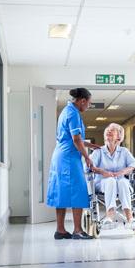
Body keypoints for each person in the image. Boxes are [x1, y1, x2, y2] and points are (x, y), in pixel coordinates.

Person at [46, 88, 98, 240]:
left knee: (61, 192)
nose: (88, 107)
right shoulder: (73, 113)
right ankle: (77, 230)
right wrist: (87, 157)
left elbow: (73, 139)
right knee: (79, 191)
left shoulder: (66, 111)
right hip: (69, 158)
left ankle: (60, 230)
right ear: (82, 101)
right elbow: (76, 140)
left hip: (61, 156)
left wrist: (91, 146)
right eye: (88, 104)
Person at [89, 123, 135, 230]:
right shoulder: (99, 151)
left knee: (122, 182)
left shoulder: (124, 151)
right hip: (103, 183)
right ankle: (109, 215)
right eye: (107, 129)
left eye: (112, 130)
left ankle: (130, 217)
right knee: (110, 181)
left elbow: (134, 166)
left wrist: (121, 172)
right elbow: (89, 166)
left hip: (121, 182)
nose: (108, 131)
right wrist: (102, 172)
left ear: (119, 136)